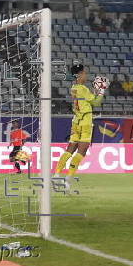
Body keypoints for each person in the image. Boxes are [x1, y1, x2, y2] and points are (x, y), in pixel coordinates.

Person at [53, 64, 107, 192]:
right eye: (84, 73)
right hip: (86, 122)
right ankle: (67, 180)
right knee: (81, 152)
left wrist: (93, 92)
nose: (86, 75)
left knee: (70, 149)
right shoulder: (82, 88)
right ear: (80, 75)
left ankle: (56, 175)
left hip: (76, 121)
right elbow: (96, 102)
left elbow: (86, 101)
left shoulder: (74, 88)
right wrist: (102, 91)